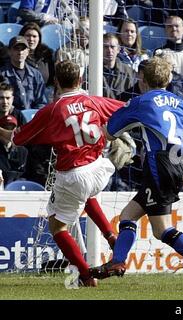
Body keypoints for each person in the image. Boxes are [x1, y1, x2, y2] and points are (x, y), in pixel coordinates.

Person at [89, 56, 183, 290]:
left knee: (162, 229)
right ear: (169, 78)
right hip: (179, 162)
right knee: (128, 215)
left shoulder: (141, 102)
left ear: (142, 80)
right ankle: (118, 261)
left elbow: (109, 133)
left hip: (158, 162)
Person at [0, 60, 125, 287]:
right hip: (99, 168)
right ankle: (111, 236)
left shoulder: (53, 109)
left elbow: (17, 139)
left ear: (55, 81)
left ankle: (86, 277)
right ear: (81, 80)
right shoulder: (92, 101)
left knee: (57, 227)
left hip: (74, 173)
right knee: (86, 196)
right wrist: (112, 131)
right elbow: (125, 109)